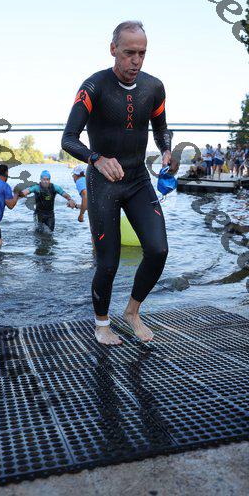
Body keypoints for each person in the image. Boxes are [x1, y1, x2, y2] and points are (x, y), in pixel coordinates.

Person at [61, 20, 174, 345]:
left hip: (137, 180)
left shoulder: (154, 87)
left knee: (158, 250)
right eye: (128, 53)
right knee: (108, 263)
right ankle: (102, 324)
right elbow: (68, 139)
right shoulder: (93, 86)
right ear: (113, 49)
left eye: (142, 53)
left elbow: (161, 128)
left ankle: (132, 312)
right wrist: (96, 158)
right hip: (104, 183)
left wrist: (166, 150)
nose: (135, 61)